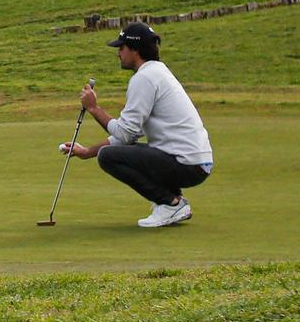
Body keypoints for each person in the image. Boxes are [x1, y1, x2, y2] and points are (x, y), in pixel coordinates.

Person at [58, 21, 212, 228]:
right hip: (193, 162)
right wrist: (87, 152)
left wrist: (94, 108)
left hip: (186, 163)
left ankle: (170, 203)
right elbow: (130, 134)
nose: (118, 53)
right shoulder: (157, 72)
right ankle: (174, 202)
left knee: (108, 157)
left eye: (121, 47)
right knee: (113, 151)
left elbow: (125, 134)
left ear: (135, 49)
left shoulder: (145, 77)